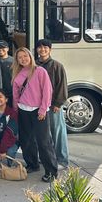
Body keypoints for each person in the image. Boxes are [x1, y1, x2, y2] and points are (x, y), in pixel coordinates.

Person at [12, 47, 58, 182]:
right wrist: (15, 108)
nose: (23, 59)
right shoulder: (17, 72)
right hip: (22, 110)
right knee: (26, 141)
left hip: (38, 111)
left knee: (44, 142)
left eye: (25, 56)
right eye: (20, 57)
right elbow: (15, 93)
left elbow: (47, 92)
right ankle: (32, 164)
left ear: (30, 56)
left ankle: (51, 171)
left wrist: (43, 109)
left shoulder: (40, 71)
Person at [35, 39, 69, 169]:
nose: (42, 50)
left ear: (50, 49)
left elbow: (62, 86)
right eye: (40, 47)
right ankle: (45, 157)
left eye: (45, 47)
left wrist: (58, 103)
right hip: (38, 105)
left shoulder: (57, 66)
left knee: (58, 132)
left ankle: (62, 160)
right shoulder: (34, 65)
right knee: (43, 134)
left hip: (53, 105)